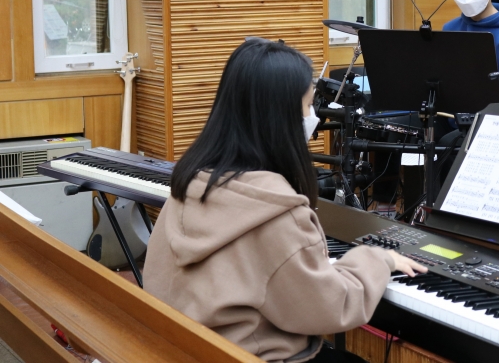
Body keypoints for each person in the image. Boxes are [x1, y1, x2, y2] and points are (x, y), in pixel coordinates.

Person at [143, 38, 426, 363]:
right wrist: (376, 259)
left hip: (185, 348)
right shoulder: (273, 208)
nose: (313, 117)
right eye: (308, 106)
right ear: (279, 118)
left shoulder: (191, 182)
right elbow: (330, 308)